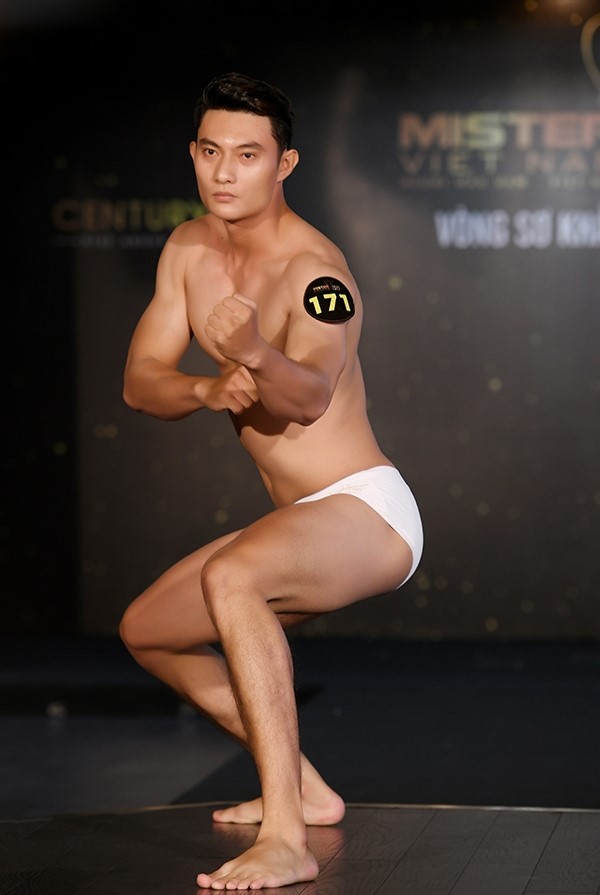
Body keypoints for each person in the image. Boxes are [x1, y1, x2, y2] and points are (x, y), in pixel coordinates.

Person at [119, 71, 423, 891]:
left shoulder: (318, 272)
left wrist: (255, 352)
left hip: (368, 509)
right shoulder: (187, 250)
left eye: (247, 155)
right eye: (210, 151)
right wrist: (205, 387)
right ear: (192, 153)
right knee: (148, 628)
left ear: (284, 163)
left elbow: (311, 393)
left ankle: (285, 836)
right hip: (303, 520)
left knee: (233, 576)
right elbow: (141, 381)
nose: (224, 172)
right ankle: (308, 790)